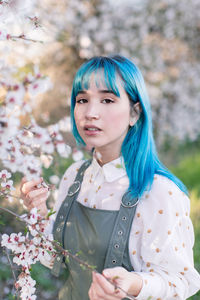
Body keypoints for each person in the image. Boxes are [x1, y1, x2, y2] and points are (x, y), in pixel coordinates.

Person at [20, 55, 200, 300]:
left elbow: (181, 281)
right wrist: (38, 210)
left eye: (107, 99)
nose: (91, 113)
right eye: (82, 99)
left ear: (135, 113)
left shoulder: (159, 192)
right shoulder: (74, 177)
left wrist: (134, 283)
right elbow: (57, 257)